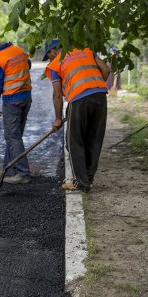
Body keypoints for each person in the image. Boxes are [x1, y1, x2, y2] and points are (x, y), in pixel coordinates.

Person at [43, 40, 110, 192]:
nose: (50, 59)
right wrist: (94, 88)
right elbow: (105, 70)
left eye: (49, 55)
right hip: (100, 95)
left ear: (53, 51)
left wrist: (58, 119)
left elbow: (58, 95)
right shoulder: (86, 50)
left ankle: (80, 182)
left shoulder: (55, 63)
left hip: (78, 99)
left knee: (74, 141)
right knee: (94, 139)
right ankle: (88, 179)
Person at [0, 35, 33, 184]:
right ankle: (9, 169)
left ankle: (23, 174)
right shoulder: (18, 50)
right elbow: (28, 64)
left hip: (12, 100)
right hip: (26, 97)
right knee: (15, 136)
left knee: (12, 137)